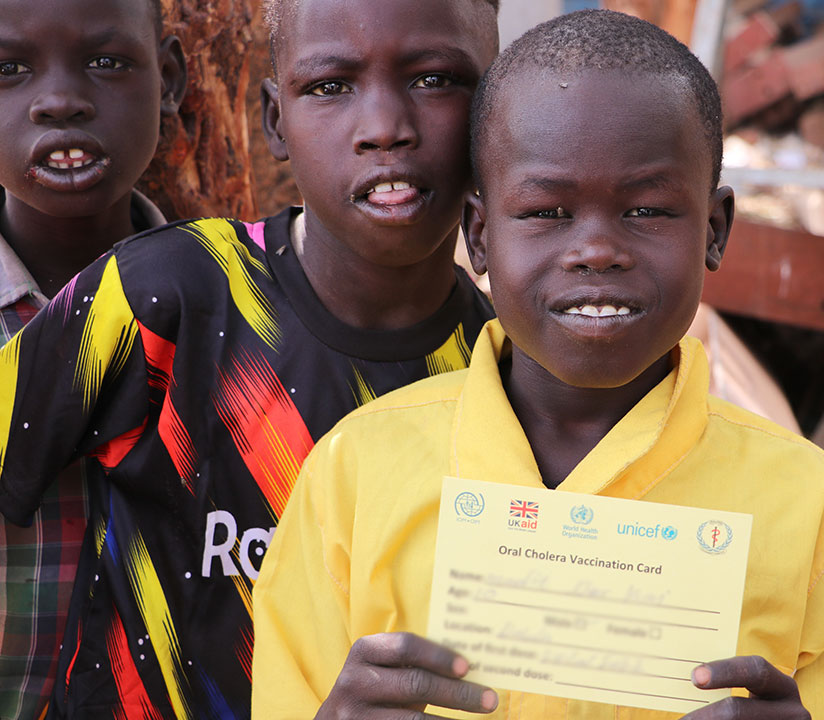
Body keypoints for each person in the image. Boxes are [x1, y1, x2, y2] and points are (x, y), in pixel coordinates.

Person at [251, 9, 824, 720]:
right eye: (547, 213)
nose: (596, 251)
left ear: (713, 231)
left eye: (647, 211)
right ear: (480, 235)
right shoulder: (356, 477)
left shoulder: (810, 512)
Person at [0, 0, 500, 715]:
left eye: (436, 79)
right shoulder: (162, 297)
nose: (387, 126)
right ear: (275, 122)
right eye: (331, 85)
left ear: (493, 115)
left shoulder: (503, 377)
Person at [0, 1, 186, 717]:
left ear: (166, 78)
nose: (59, 101)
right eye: (9, 69)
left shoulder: (227, 314)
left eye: (106, 62)